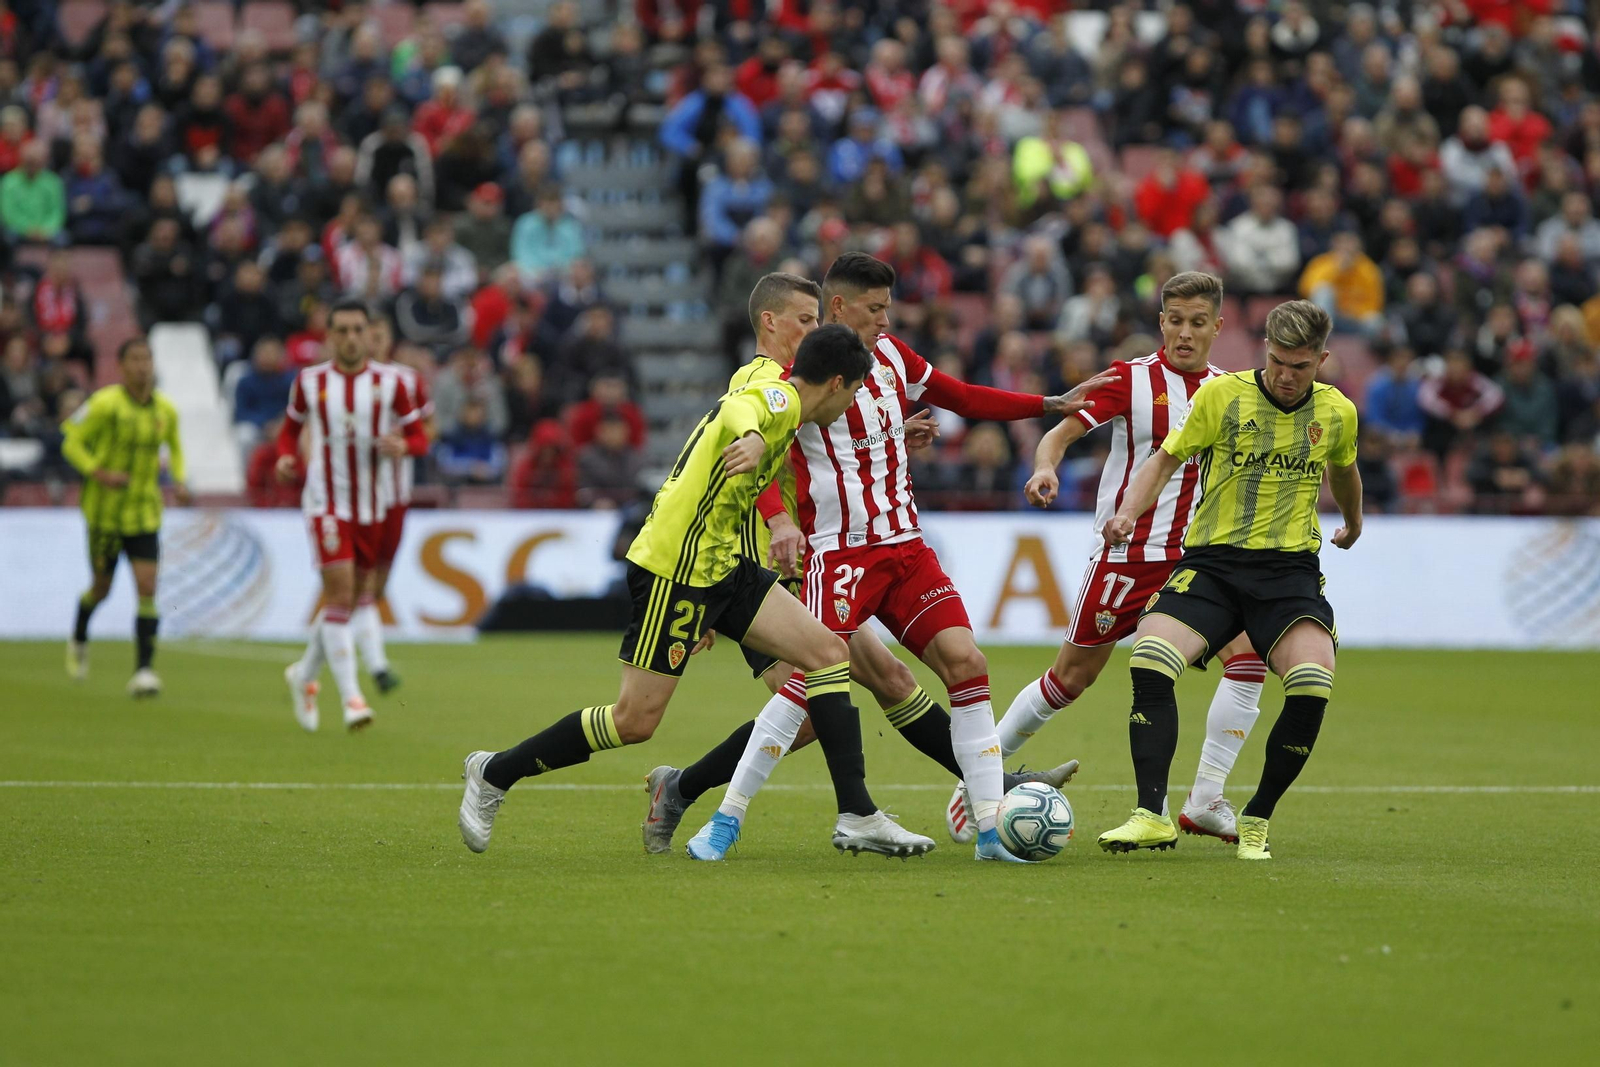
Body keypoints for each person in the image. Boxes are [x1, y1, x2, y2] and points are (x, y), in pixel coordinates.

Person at [665, 254, 1109, 863]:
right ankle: (724, 819)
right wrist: (780, 520)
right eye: (874, 309)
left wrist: (1047, 404)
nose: (885, 320)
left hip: (906, 548)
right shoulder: (802, 375)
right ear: (839, 307)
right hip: (840, 556)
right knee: (808, 688)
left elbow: (962, 396)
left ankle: (988, 831)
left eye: (888, 308)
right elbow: (759, 452)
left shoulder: (894, 356)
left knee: (967, 662)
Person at [458, 325, 934, 859]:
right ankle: (494, 772)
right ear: (837, 383)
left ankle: (857, 814)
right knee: (634, 721)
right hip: (677, 568)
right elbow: (740, 409)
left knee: (828, 653)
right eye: (853, 393)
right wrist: (754, 436)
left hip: (724, 564)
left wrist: (893, 433)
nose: (851, 405)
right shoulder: (780, 400)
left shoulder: (791, 406)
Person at [986, 272, 1266, 846]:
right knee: (1070, 678)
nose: (1184, 333)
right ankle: (979, 774)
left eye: (1197, 323)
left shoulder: (1231, 392)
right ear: (1161, 322)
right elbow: (1058, 436)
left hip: (1198, 562)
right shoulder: (1130, 379)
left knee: (1247, 660)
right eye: (1175, 321)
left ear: (1217, 327)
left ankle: (1205, 800)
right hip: (1128, 555)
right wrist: (1045, 468)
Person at [1097, 300, 1363, 861]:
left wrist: (1354, 522)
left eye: (1299, 366)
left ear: (1321, 360)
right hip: (1213, 566)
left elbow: (1344, 469)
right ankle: (1151, 816)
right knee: (1149, 658)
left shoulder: (1337, 412)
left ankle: (1257, 818)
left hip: (1288, 575)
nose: (1286, 375)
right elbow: (1163, 461)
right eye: (1277, 361)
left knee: (1312, 682)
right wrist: (1127, 513)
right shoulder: (1221, 396)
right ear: (1265, 349)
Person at [275, 301, 429, 733]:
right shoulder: (309, 382)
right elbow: (289, 432)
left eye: (357, 330)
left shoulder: (391, 384)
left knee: (357, 596)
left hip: (373, 505)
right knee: (342, 595)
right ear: (329, 336)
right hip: (325, 502)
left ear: (367, 334)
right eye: (340, 330)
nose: (349, 338)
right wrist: (286, 458)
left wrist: (405, 446)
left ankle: (304, 675)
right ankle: (352, 700)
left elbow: (420, 437)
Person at [61, 337, 190, 697]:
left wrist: (180, 480)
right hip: (105, 514)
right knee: (101, 588)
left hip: (145, 513)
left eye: (146, 359)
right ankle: (79, 635)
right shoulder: (103, 404)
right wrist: (98, 472)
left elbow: (176, 449)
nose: (141, 366)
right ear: (120, 366)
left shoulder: (166, 410)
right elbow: (70, 441)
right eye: (134, 359)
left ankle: (144, 671)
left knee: (147, 587)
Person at [359, 315, 432, 695]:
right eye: (366, 335)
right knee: (358, 584)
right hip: (354, 495)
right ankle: (376, 665)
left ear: (389, 340)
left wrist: (405, 444)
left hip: (396, 496)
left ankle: (311, 666)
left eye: (379, 335)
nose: (372, 341)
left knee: (377, 585)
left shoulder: (407, 380)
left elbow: (428, 430)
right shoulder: (340, 383)